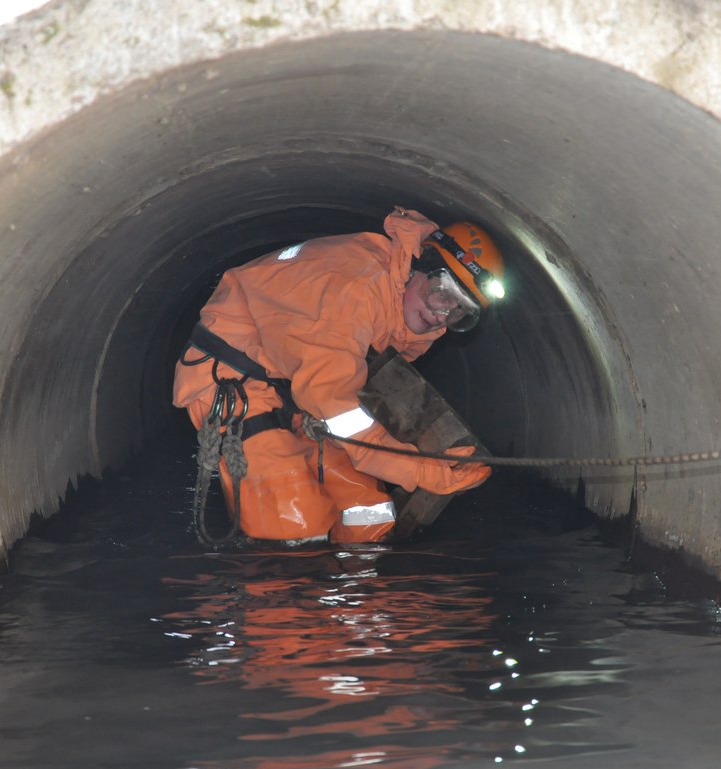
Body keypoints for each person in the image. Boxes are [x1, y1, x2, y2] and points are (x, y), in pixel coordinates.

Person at [173, 207, 506, 545]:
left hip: (299, 392)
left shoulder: (401, 303)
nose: (441, 316)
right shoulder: (354, 289)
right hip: (236, 382)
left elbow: (344, 392)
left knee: (370, 512)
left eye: (459, 311)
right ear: (418, 265)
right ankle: (281, 587)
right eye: (443, 295)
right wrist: (420, 469)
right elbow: (338, 408)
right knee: (297, 523)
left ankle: (350, 592)